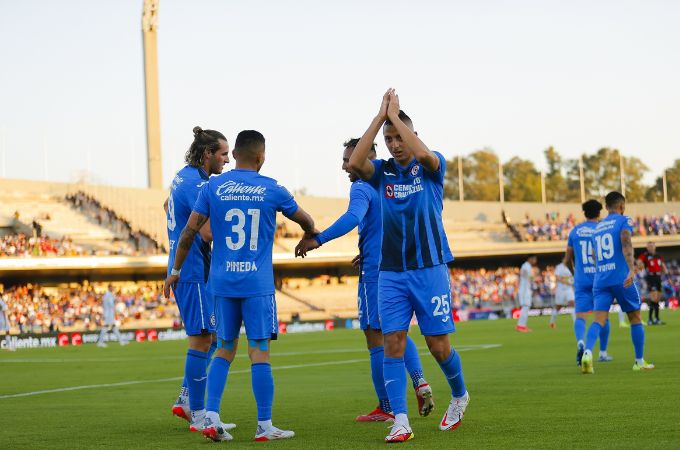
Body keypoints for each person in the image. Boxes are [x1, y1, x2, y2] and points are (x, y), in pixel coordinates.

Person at [165, 130, 317, 442]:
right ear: (261, 157)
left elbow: (189, 232)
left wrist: (176, 269)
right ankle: (264, 425)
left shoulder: (213, 186)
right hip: (256, 284)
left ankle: (210, 416)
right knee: (259, 351)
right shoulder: (272, 188)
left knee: (223, 349)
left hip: (221, 283)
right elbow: (305, 218)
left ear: (234, 154)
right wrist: (310, 233)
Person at [348, 89, 468, 443]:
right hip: (391, 272)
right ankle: (400, 419)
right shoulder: (381, 173)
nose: (394, 144)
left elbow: (425, 155)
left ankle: (459, 394)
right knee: (393, 342)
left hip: (429, 268)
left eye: (399, 137)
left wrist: (397, 117)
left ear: (411, 134)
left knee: (438, 346)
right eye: (389, 139)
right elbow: (354, 164)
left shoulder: (431, 166)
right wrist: (378, 118)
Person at [295, 138, 434, 422]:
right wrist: (370, 248)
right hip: (397, 265)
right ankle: (420, 381)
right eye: (345, 160)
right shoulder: (391, 182)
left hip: (375, 274)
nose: (346, 165)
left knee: (375, 338)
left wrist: (318, 239)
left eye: (349, 159)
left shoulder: (361, 186)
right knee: (396, 332)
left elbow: (352, 217)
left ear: (368, 157)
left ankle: (385, 407)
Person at [165, 126, 235, 432]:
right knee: (203, 339)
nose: (227, 161)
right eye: (223, 154)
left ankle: (186, 399)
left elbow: (166, 206)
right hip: (192, 271)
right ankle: (198, 413)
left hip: (192, 269)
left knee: (212, 337)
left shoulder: (185, 176)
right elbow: (206, 231)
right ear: (207, 154)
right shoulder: (196, 184)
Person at [580, 192, 654, 374]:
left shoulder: (597, 228)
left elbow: (594, 256)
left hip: (600, 279)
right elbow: (626, 241)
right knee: (635, 317)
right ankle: (639, 361)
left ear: (606, 207)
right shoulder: (623, 220)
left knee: (598, 319)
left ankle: (587, 353)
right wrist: (631, 268)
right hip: (621, 278)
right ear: (622, 206)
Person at [564, 200, 612, 366]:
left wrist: (575, 272)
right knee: (602, 317)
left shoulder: (575, 231)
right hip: (600, 279)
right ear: (599, 213)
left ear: (584, 213)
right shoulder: (602, 229)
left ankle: (580, 342)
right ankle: (603, 353)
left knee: (580, 316)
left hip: (581, 279)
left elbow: (567, 260)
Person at [637, 241, 667, 325]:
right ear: (647, 248)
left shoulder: (658, 256)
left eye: (652, 246)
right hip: (650, 277)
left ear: (654, 247)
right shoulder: (645, 255)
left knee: (657, 299)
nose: (650, 248)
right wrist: (640, 264)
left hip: (658, 277)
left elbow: (663, 266)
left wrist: (666, 274)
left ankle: (657, 319)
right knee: (653, 297)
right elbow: (639, 261)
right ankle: (650, 319)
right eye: (649, 246)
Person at [550, 257, 574, 329]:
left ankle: (576, 322)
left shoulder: (572, 267)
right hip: (561, 290)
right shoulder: (559, 267)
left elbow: (573, 276)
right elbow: (557, 277)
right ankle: (552, 321)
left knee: (572, 303)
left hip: (569, 289)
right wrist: (566, 282)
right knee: (558, 306)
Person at [516, 255, 537, 332]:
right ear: (530, 259)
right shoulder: (525, 265)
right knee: (525, 307)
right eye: (534, 259)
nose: (535, 261)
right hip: (524, 290)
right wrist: (531, 277)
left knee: (526, 307)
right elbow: (524, 274)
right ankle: (521, 326)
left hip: (526, 289)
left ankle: (521, 325)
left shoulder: (528, 266)